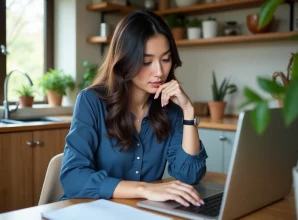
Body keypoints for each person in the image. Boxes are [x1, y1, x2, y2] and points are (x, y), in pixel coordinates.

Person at [60, 10, 208, 208]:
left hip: (138, 212)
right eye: (146, 62)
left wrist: (188, 112)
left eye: (165, 59)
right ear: (125, 60)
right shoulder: (91, 101)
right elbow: (73, 178)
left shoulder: (171, 111)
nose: (159, 72)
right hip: (87, 210)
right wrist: (143, 189)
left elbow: (190, 175)